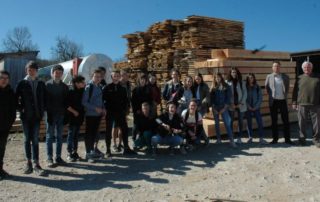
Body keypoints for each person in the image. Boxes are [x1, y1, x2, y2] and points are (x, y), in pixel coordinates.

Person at [16, 61, 46, 175]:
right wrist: (21, 109)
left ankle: (36, 164)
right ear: (26, 70)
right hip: (26, 117)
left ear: (36, 71)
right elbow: (16, 99)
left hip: (37, 116)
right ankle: (28, 163)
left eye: (33, 69)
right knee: (27, 139)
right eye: (29, 69)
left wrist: (43, 111)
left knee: (35, 140)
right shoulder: (21, 83)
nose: (31, 71)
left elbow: (44, 98)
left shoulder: (41, 84)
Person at [103, 71, 136, 156]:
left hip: (120, 112)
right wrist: (105, 110)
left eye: (117, 76)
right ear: (112, 77)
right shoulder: (107, 87)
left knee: (124, 129)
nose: (116, 77)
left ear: (119, 77)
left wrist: (125, 110)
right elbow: (103, 100)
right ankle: (108, 150)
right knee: (108, 130)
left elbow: (125, 101)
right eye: (114, 76)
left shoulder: (122, 89)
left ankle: (126, 148)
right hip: (110, 112)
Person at [45, 65, 69, 167]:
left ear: (62, 74)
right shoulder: (47, 85)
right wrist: (48, 113)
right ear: (52, 73)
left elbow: (66, 102)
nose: (58, 74)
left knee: (59, 137)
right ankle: (49, 157)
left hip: (61, 115)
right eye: (56, 72)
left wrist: (66, 114)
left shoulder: (64, 86)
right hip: (50, 115)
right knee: (50, 137)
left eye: (60, 73)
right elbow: (45, 101)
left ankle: (58, 157)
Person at [265, 61, 294, 145]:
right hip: (273, 101)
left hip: (282, 101)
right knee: (274, 121)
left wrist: (284, 95)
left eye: (278, 66)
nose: (276, 68)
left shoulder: (285, 76)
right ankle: (275, 139)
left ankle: (287, 139)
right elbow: (267, 87)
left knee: (286, 120)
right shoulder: (269, 76)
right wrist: (271, 96)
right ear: (272, 67)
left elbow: (287, 87)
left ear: (280, 67)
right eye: (274, 66)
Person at [292, 61, 320, 147]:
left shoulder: (318, 77)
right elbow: (295, 91)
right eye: (305, 67)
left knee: (317, 123)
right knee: (301, 123)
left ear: (311, 68)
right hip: (302, 104)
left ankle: (316, 140)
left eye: (308, 67)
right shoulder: (299, 78)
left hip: (315, 103)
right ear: (302, 69)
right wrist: (294, 102)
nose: (307, 69)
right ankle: (302, 140)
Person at [82, 69, 106, 162]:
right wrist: (95, 108)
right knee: (89, 134)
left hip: (98, 115)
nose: (97, 78)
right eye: (96, 76)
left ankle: (92, 151)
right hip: (90, 115)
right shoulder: (89, 87)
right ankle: (88, 153)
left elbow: (101, 100)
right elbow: (84, 102)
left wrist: (104, 108)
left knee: (94, 133)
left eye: (99, 77)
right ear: (92, 76)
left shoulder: (100, 87)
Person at [210, 73, 236, 148]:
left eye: (219, 77)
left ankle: (231, 140)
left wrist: (224, 108)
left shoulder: (226, 86)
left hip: (224, 107)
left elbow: (228, 98)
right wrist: (213, 108)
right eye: (216, 78)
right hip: (215, 107)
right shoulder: (213, 87)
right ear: (214, 79)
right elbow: (211, 99)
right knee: (217, 124)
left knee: (227, 124)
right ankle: (219, 139)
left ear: (221, 78)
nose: (217, 79)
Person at [0, 71, 16, 180]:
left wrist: (9, 123)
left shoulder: (11, 92)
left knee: (1, 149)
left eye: (6, 78)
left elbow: (13, 111)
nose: (4, 80)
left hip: (5, 127)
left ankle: (0, 169)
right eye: (2, 77)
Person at [66, 75, 86, 162]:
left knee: (76, 136)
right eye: (82, 82)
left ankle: (75, 152)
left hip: (79, 117)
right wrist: (74, 112)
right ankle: (69, 153)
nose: (84, 83)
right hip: (72, 117)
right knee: (71, 135)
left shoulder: (82, 91)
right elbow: (66, 105)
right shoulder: (70, 91)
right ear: (77, 83)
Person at [226, 67, 247, 144]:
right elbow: (227, 94)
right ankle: (231, 137)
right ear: (230, 73)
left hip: (241, 104)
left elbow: (245, 93)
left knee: (240, 121)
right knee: (231, 121)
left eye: (235, 72)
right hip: (231, 105)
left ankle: (239, 137)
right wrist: (231, 103)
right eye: (232, 72)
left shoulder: (242, 82)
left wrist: (241, 103)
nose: (234, 74)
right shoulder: (227, 82)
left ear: (237, 73)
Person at [245, 73, 267, 144]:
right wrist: (248, 106)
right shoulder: (245, 87)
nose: (250, 79)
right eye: (249, 78)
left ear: (254, 78)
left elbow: (260, 98)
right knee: (249, 123)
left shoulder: (257, 87)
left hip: (256, 108)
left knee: (260, 122)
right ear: (247, 79)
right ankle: (250, 137)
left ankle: (261, 138)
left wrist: (256, 107)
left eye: (252, 78)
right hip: (248, 108)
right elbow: (244, 98)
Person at [131, 74, 153, 141]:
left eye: (144, 80)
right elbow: (133, 102)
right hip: (137, 110)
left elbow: (150, 100)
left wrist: (148, 109)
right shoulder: (135, 89)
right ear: (139, 80)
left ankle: (142, 139)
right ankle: (133, 138)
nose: (142, 81)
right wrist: (137, 110)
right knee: (136, 125)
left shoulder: (148, 89)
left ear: (146, 80)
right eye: (141, 79)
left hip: (146, 110)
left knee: (144, 125)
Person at [94, 66, 107, 156]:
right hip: (93, 111)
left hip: (100, 110)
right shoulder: (92, 84)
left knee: (97, 130)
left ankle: (95, 147)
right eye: (100, 73)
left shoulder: (104, 83)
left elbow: (104, 98)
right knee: (92, 131)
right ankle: (91, 149)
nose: (102, 75)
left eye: (103, 74)